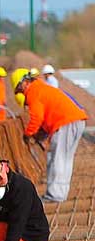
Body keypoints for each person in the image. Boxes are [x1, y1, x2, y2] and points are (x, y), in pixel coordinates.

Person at [12, 68, 88, 202]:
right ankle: (60, 193)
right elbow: (45, 114)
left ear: (24, 82)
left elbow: (37, 118)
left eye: (19, 89)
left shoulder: (34, 92)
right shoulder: (41, 88)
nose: (22, 93)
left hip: (66, 122)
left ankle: (55, 194)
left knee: (57, 158)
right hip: (75, 121)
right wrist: (42, 132)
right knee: (64, 158)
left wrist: (28, 134)